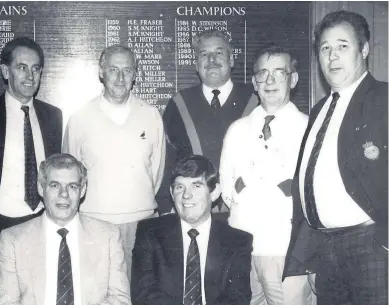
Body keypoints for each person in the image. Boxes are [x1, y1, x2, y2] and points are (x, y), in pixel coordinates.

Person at [284, 10, 388, 305]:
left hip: (372, 247)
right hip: (325, 250)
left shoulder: (384, 99)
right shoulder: (319, 110)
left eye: (343, 46)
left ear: (364, 49)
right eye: (325, 48)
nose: (332, 56)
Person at [220, 45, 314, 305]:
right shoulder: (238, 129)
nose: (270, 80)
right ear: (253, 81)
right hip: (243, 247)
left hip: (288, 251)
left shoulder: (309, 128)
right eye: (262, 73)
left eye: (279, 73)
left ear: (293, 79)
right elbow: (227, 188)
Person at [62, 45, 165, 278]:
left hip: (142, 224)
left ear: (135, 74)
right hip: (94, 223)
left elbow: (156, 171)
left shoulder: (150, 115)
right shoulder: (80, 118)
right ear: (101, 72)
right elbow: (70, 175)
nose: (120, 78)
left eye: (127, 70)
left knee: (140, 295)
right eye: (113, 70)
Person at [0, 37, 63, 305]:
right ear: (6, 71)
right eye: (22, 67)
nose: (30, 76)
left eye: (36, 68)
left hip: (40, 219)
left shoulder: (53, 116)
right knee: (1, 296)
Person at [0, 153, 131, 305]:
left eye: (72, 186)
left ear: (83, 189)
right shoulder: (13, 240)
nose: (64, 194)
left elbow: (120, 300)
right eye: (55, 185)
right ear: (41, 188)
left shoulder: (108, 237)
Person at [159, 30, 259, 216]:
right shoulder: (178, 103)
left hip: (248, 208)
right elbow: (166, 161)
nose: (212, 60)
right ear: (197, 65)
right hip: (193, 210)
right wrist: (167, 207)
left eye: (219, 53)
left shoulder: (256, 100)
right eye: (204, 54)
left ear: (231, 61)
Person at [131, 155, 253, 305]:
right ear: (171, 193)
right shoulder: (150, 232)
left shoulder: (237, 240)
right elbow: (144, 295)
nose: (186, 195)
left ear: (214, 193)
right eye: (180, 187)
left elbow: (238, 298)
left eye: (196, 185)